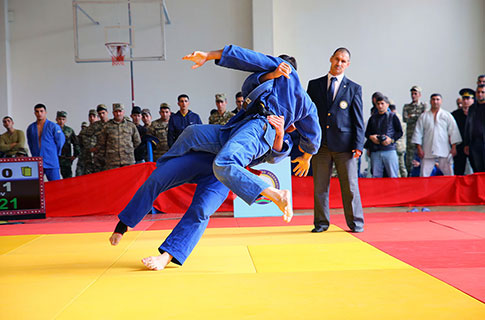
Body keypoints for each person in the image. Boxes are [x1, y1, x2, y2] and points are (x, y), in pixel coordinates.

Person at [110, 114, 293, 270]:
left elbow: (274, 158)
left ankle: (166, 256)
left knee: (201, 210)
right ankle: (124, 223)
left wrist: (279, 135)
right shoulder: (258, 111)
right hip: (201, 156)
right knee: (157, 179)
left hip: (221, 174)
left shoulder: (285, 135)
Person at [169, 45, 320, 222]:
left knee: (224, 163)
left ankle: (276, 195)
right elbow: (313, 134)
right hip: (244, 130)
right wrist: (307, 157)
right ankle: (165, 167)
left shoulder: (282, 71)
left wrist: (210, 55)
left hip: (260, 127)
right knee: (193, 132)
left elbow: (247, 57)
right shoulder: (306, 102)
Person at [307, 47, 364, 233]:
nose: (339, 63)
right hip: (320, 145)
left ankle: (356, 223)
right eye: (337, 59)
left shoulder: (354, 88)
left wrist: (358, 145)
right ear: (331, 59)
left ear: (348, 64)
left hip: (345, 147)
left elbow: (358, 120)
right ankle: (321, 223)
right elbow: (308, 115)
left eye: (343, 61)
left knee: (350, 188)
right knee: (320, 187)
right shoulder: (314, 85)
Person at [412, 94, 461, 177]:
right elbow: (418, 132)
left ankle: (451, 189)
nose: (435, 102)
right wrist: (419, 148)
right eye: (433, 99)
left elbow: (453, 132)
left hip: (444, 150)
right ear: (430, 101)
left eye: (437, 99)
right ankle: (424, 189)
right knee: (424, 175)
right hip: (427, 150)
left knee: (449, 174)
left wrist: (453, 147)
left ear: (441, 101)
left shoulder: (447, 115)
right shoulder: (424, 116)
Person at [365, 96, 403, 178]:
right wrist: (372, 137)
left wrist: (391, 140)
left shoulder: (393, 117)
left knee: (392, 175)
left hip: (389, 150)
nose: (380, 106)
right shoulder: (372, 118)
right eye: (378, 104)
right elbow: (367, 133)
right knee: (376, 176)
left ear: (387, 105)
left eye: (382, 103)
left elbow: (399, 132)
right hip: (375, 151)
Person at [26, 104, 65, 181]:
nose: (39, 113)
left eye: (41, 111)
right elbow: (30, 143)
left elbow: (60, 141)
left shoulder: (53, 126)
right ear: (34, 113)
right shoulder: (31, 127)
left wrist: (54, 153)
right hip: (37, 160)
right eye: (37, 112)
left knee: (56, 185)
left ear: (45, 112)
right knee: (36, 187)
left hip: (51, 160)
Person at [96, 103, 141, 170]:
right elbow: (102, 144)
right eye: (116, 111)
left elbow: (137, 142)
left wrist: (127, 150)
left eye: (120, 111)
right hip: (112, 162)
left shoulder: (131, 126)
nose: (118, 114)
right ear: (113, 113)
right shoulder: (107, 126)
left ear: (123, 112)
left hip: (128, 161)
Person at [403, 85, 427, 176]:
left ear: (419, 95)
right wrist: (417, 116)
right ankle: (409, 173)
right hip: (410, 136)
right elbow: (405, 119)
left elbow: (423, 118)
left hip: (421, 135)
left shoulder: (423, 106)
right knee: (409, 157)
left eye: (415, 93)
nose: (413, 95)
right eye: (412, 94)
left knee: (421, 155)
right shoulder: (406, 107)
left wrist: (412, 116)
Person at [452, 88, 474, 175]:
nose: (465, 101)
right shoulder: (455, 114)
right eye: (464, 98)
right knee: (458, 170)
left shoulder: (478, 113)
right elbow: (452, 131)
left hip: (474, 145)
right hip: (460, 146)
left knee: (476, 170)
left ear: (473, 100)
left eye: (468, 98)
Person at [464, 84, 485, 172]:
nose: (480, 94)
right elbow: (468, 126)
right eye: (478, 92)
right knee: (477, 169)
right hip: (474, 143)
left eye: (483, 92)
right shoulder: (472, 108)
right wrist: (466, 143)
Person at [56, 111, 80, 179]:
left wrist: (75, 155)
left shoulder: (69, 130)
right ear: (56, 119)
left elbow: (76, 143)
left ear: (66, 120)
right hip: (55, 158)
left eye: (63, 119)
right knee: (54, 179)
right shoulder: (52, 129)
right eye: (60, 119)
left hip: (66, 159)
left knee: (67, 178)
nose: (61, 121)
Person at [76, 109, 98, 176]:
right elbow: (78, 144)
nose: (92, 118)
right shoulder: (84, 131)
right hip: (86, 161)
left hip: (99, 161)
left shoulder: (103, 130)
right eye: (90, 116)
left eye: (94, 116)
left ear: (97, 117)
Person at [90, 104, 110, 172]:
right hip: (98, 157)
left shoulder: (112, 124)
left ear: (107, 112)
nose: (101, 115)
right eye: (99, 114)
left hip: (111, 156)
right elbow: (85, 136)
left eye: (103, 113)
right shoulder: (95, 126)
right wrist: (91, 147)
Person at [389, 104, 407, 177]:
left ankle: (400, 183)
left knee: (397, 168)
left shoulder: (394, 118)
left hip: (396, 145)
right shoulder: (400, 117)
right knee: (402, 166)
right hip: (402, 145)